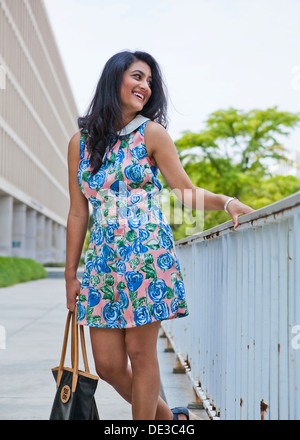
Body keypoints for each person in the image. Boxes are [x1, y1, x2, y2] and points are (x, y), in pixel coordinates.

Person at [64, 50, 254, 420]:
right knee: (108, 365)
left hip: (148, 257)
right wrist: (71, 274)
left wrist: (227, 201)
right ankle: (171, 421)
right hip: (101, 264)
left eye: (150, 81)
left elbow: (184, 191)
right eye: (137, 77)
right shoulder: (79, 143)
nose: (145, 86)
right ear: (114, 78)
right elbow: (77, 210)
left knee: (140, 353)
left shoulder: (152, 133)